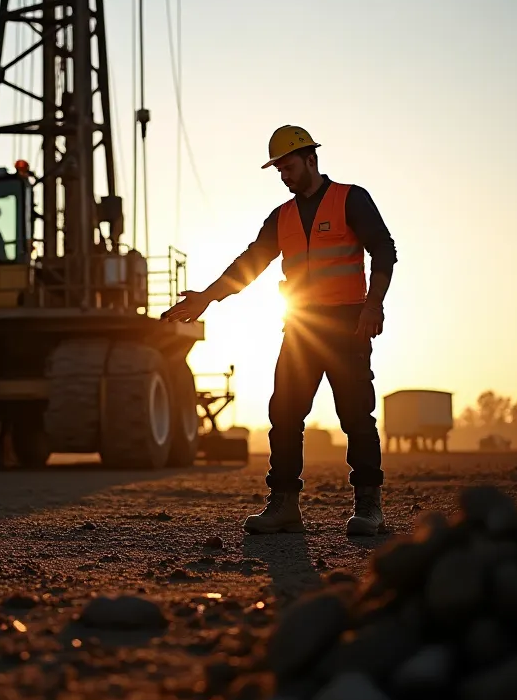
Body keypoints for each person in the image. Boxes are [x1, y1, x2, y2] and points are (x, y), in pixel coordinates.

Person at [163, 126, 397, 536]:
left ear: (311, 159)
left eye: (288, 167)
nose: (284, 176)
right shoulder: (282, 216)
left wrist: (374, 304)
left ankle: (369, 508)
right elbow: (250, 263)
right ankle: (285, 506)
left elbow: (384, 250)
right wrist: (206, 297)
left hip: (347, 324)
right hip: (302, 326)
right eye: (279, 171)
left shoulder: (350, 198)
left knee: (356, 417)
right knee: (285, 415)